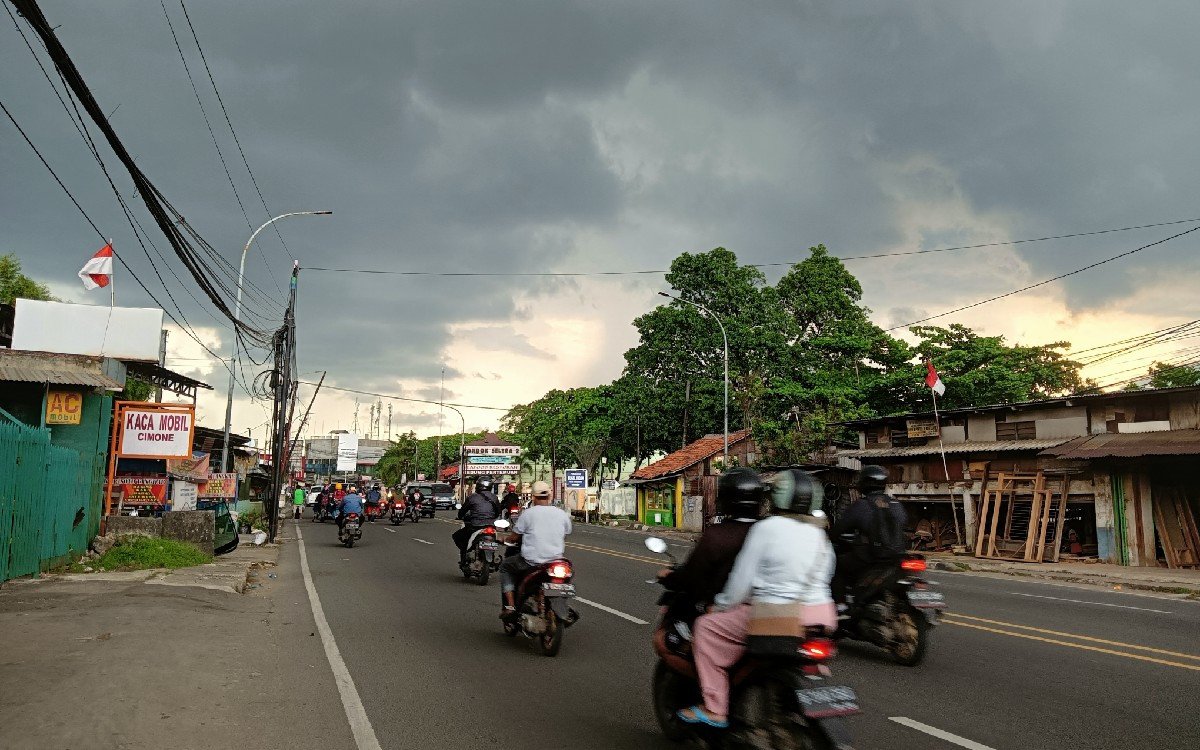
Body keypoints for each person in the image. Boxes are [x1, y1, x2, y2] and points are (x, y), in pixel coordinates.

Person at [679, 468, 836, 729]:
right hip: (822, 617)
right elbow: (827, 576)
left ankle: (715, 708)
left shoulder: (767, 528)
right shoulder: (820, 534)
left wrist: (719, 607)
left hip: (777, 617)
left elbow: (741, 583)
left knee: (706, 629)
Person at [658, 467, 762, 609]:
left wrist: (670, 578)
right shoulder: (767, 531)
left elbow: (693, 573)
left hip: (720, 604)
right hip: (761, 607)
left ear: (725, 498)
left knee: (701, 624)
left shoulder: (717, 535)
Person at [829, 464, 907, 602]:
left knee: (837, 565)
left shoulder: (861, 505)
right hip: (897, 559)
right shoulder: (896, 504)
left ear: (864, 483)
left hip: (871, 559)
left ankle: (841, 605)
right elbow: (904, 523)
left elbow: (837, 530)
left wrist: (830, 536)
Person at [499, 480, 572, 619]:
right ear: (549, 496)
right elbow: (566, 533)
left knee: (505, 567)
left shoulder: (528, 514)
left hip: (531, 562)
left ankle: (510, 606)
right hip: (556, 561)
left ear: (533, 497)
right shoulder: (561, 514)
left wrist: (503, 539)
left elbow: (514, 538)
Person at [453, 479, 500, 563]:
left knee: (457, 536)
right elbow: (498, 512)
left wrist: (460, 516)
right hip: (491, 525)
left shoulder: (472, 497)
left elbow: (462, 511)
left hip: (475, 525)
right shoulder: (494, 497)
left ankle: (464, 558)